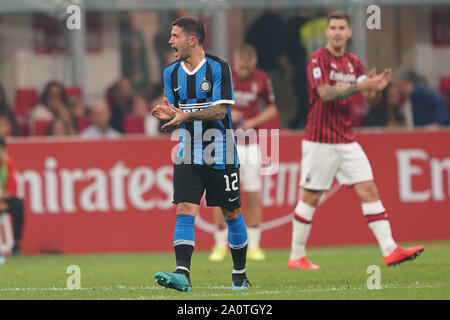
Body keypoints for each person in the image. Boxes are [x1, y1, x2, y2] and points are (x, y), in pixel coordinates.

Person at [288, 11, 424, 270]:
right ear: (327, 32)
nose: (337, 32)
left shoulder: (354, 63)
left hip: (346, 139)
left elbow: (369, 99)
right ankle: (297, 256)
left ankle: (390, 250)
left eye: (342, 28)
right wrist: (360, 88)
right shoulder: (317, 60)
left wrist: (375, 89)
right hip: (320, 140)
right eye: (333, 28)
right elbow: (325, 94)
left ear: (349, 32)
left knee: (368, 189)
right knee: (310, 197)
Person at [151, 16, 250, 291]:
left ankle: (239, 273)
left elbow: (221, 111)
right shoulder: (170, 73)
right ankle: (183, 273)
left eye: (175, 36)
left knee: (231, 213)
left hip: (221, 152)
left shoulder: (218, 67)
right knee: (184, 209)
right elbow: (177, 114)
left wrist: (183, 116)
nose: (170, 41)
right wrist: (169, 115)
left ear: (192, 39)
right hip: (187, 152)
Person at [209, 44, 278, 262]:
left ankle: (255, 245)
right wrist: (228, 110)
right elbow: (210, 103)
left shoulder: (262, 78)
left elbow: (272, 108)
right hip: (224, 142)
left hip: (250, 145)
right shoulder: (224, 76)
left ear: (254, 63)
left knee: (252, 194)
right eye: (241, 67)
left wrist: (253, 122)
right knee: (221, 194)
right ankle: (220, 245)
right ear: (235, 62)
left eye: (248, 67)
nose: (245, 71)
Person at [0, 137, 25, 257]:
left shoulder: (7, 163)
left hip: (3, 200)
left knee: (18, 204)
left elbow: (12, 189)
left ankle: (16, 244)